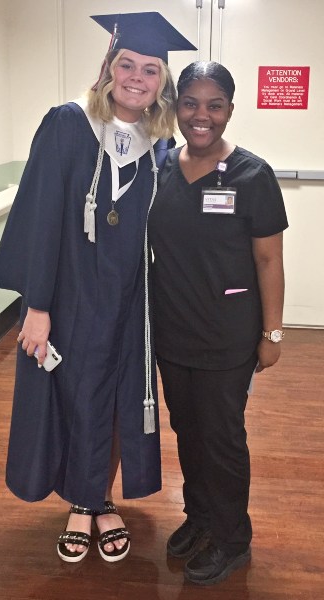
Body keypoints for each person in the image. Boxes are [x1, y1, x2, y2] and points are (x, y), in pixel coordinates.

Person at [0, 12, 195, 563]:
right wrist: (36, 306)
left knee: (123, 401)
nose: (136, 77)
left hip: (133, 301)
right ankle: (83, 504)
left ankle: (102, 498)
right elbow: (41, 217)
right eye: (126, 64)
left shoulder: (157, 144)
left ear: (162, 84)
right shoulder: (68, 123)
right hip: (73, 297)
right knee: (78, 398)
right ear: (108, 68)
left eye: (150, 70)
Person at [148, 61, 288, 585]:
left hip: (228, 334)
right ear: (175, 106)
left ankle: (233, 537)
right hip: (173, 330)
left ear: (230, 110)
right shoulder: (161, 166)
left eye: (214, 105)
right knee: (187, 431)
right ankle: (201, 517)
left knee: (223, 438)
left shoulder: (253, 175)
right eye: (190, 103)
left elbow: (269, 261)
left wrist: (272, 333)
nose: (200, 116)